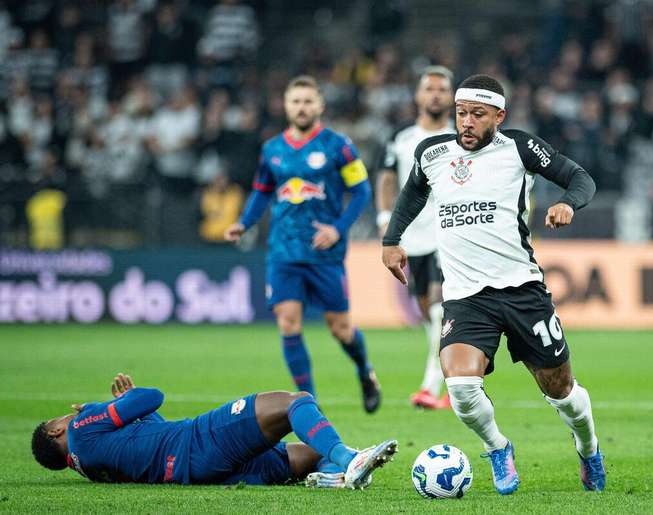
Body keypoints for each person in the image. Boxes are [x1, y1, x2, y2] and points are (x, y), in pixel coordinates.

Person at [381, 74, 605, 495]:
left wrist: (566, 203)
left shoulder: (519, 147)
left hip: (522, 290)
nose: (466, 122)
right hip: (466, 297)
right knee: (462, 389)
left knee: (561, 391)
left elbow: (581, 179)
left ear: (499, 116)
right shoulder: (432, 153)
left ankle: (589, 447)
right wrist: (392, 241)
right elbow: (411, 194)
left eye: (477, 115)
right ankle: (498, 448)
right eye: (461, 113)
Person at [225, 76, 381, 413]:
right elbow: (262, 190)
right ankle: (309, 403)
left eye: (308, 101)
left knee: (340, 329)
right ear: (285, 105)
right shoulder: (272, 150)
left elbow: (362, 192)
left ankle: (365, 372)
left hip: (325, 252)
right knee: (288, 322)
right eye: (295, 101)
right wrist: (245, 222)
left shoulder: (338, 146)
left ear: (320, 105)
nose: (301, 107)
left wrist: (339, 229)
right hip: (283, 250)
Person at [31, 373, 397, 488]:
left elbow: (150, 436)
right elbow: (153, 397)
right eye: (57, 421)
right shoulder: (82, 425)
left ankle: (337, 476)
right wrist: (107, 406)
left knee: (311, 456)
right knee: (294, 402)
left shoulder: (91, 468)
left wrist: (123, 407)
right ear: (54, 434)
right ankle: (351, 460)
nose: (66, 417)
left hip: (199, 470)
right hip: (199, 442)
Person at [375, 66, 455, 410]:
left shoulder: (461, 137)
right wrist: (384, 220)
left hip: (449, 234)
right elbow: (387, 179)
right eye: (429, 88)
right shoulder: (402, 137)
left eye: (441, 89)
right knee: (427, 311)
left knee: (439, 309)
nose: (435, 94)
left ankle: (431, 385)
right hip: (414, 236)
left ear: (451, 97)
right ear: (418, 95)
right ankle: (458, 377)